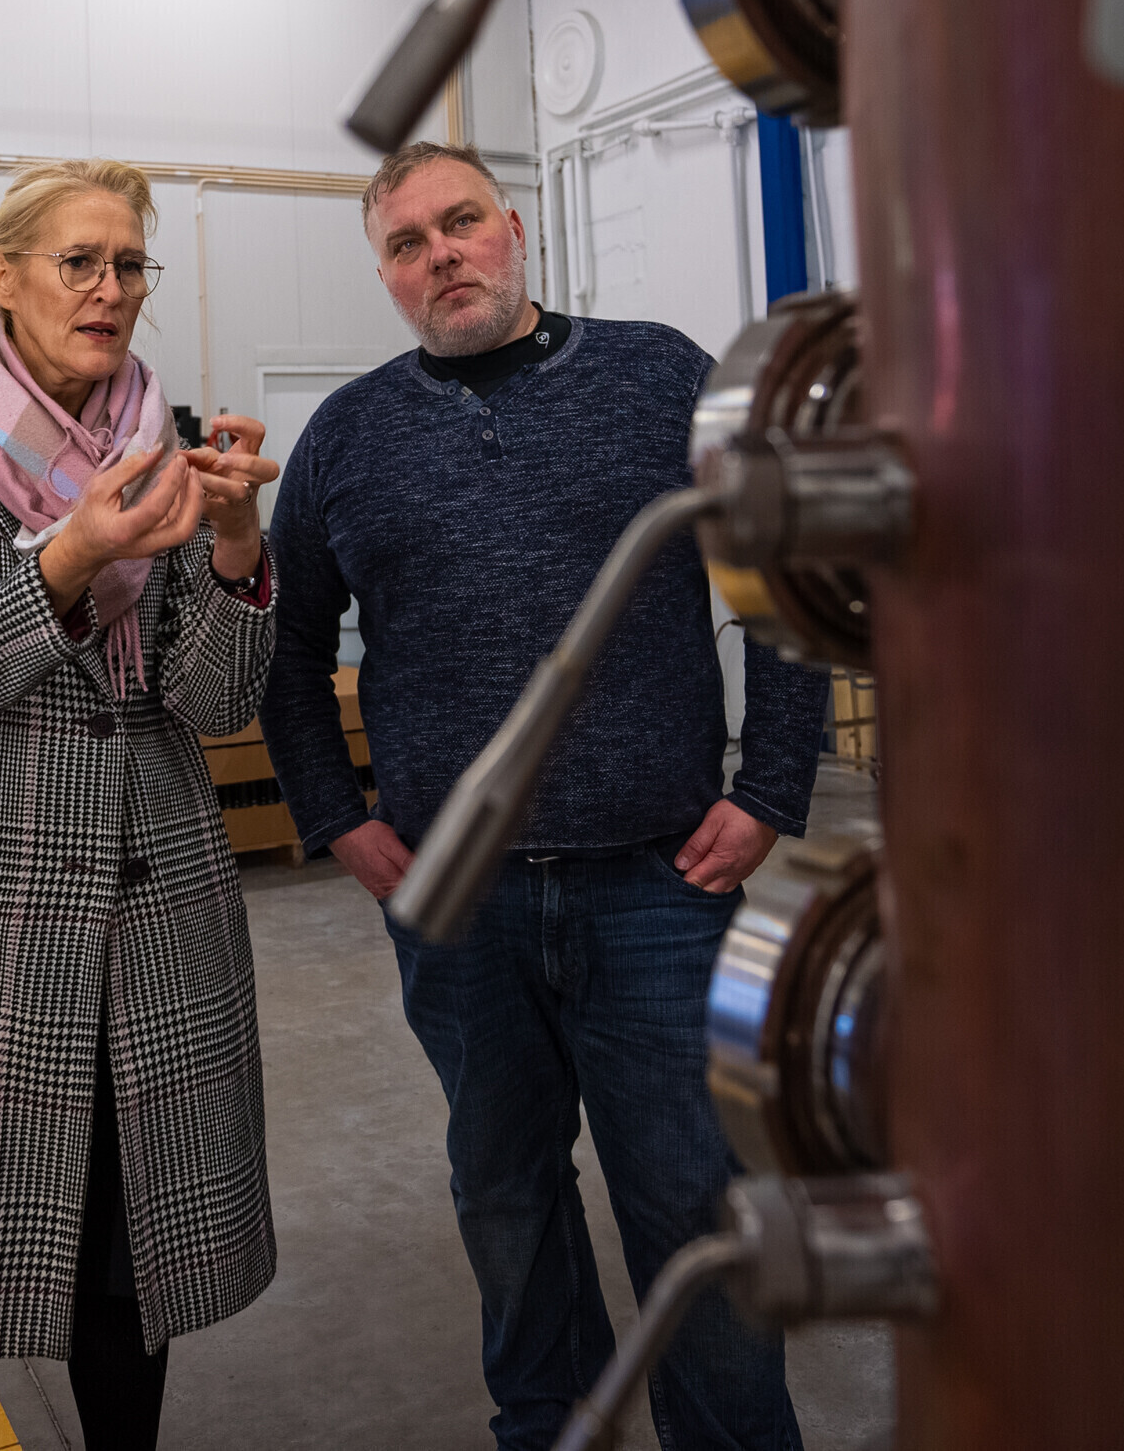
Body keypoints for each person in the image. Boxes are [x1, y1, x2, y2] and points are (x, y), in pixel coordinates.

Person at [259, 141, 830, 1451]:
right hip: (457, 908)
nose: (441, 255)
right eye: (406, 244)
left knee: (694, 1205)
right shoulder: (347, 435)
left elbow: (781, 570)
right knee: (507, 1198)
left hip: (659, 889)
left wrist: (772, 786)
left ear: (514, 229)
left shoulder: (660, 375)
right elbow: (290, 649)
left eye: (460, 222)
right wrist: (337, 816)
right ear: (386, 276)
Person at [0, 159, 283, 1451]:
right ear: (3, 277)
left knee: (133, 1247)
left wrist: (237, 545)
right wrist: (74, 555)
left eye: (129, 263)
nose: (109, 288)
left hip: (151, 913)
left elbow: (213, 700)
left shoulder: (165, 440)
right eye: (78, 260)